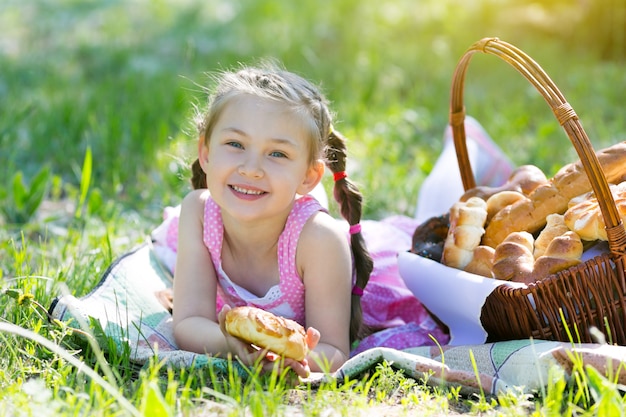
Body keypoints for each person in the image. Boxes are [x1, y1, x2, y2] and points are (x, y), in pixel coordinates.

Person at [159, 64, 449, 378]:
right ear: (205, 152)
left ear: (310, 176)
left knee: (446, 216)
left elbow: (334, 351)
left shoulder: (319, 241)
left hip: (383, 261)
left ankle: (467, 152)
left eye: (277, 154)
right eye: (235, 145)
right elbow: (188, 323)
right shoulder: (200, 214)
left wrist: (294, 359)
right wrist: (232, 347)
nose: (251, 168)